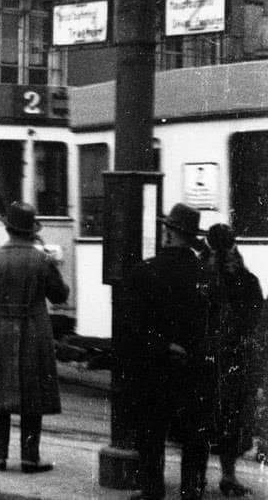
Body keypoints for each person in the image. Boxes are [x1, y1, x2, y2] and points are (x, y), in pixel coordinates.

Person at [127, 202, 217, 500]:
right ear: (192, 237)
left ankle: (151, 491)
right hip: (194, 368)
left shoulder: (145, 271)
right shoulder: (206, 275)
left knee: (151, 434)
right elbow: (214, 323)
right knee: (194, 436)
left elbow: (135, 327)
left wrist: (164, 345)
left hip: (155, 366)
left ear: (167, 232)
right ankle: (191, 491)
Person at [0, 201, 69, 473]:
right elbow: (60, 296)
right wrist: (54, 264)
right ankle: (29, 458)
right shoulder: (42, 260)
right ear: (31, 231)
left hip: (0, 331)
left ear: (8, 229)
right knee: (32, 395)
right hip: (35, 332)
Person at [207, 223, 262, 497]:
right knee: (233, 418)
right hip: (236, 360)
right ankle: (228, 475)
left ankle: (193, 476)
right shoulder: (247, 280)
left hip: (204, 359)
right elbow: (256, 321)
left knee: (202, 419)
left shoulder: (202, 275)